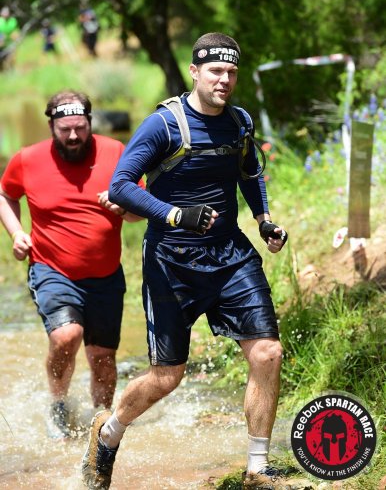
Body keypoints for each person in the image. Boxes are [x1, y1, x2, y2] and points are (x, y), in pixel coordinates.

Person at [81, 33, 292, 490]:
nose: (225, 79)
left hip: (231, 255)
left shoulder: (238, 122)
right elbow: (121, 186)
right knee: (166, 377)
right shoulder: (165, 124)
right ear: (195, 71)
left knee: (267, 352)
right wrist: (177, 214)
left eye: (232, 71)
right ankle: (109, 431)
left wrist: (264, 220)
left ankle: (258, 468)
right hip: (170, 261)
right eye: (216, 70)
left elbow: (249, 171)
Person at [0, 90, 144, 440]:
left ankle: (101, 424)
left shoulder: (115, 153)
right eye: (65, 129)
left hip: (106, 275)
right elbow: (5, 194)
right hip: (52, 269)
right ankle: (59, 405)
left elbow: (141, 210)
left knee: (103, 358)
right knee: (67, 335)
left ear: (90, 122)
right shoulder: (28, 159)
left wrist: (123, 207)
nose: (74, 136)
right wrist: (16, 233)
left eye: (80, 127)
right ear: (51, 125)